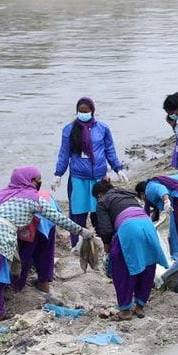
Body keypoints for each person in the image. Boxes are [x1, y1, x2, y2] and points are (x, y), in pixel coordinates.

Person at [0, 167, 90, 328]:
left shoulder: (6, 193)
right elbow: (58, 218)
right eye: (37, 180)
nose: (39, 183)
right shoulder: (32, 199)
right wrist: (82, 231)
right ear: (28, 181)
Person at [53, 96, 127, 247]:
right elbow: (64, 153)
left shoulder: (103, 129)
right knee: (77, 213)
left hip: (98, 178)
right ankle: (77, 244)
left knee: (100, 212)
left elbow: (109, 151)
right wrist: (58, 174)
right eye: (80, 111)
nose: (83, 113)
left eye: (86, 111)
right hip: (78, 178)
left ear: (92, 112)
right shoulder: (69, 129)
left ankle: (103, 241)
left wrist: (118, 169)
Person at [93, 180, 169, 320]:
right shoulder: (127, 195)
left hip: (129, 228)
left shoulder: (102, 202)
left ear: (100, 195)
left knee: (122, 268)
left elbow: (106, 230)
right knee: (147, 264)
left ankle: (125, 310)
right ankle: (139, 306)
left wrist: (107, 253)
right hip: (147, 226)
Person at [10, 183, 64, 295]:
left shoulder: (15, 196)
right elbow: (58, 212)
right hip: (49, 225)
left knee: (24, 255)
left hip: (32, 225)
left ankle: (17, 285)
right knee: (46, 253)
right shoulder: (45, 194)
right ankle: (43, 281)